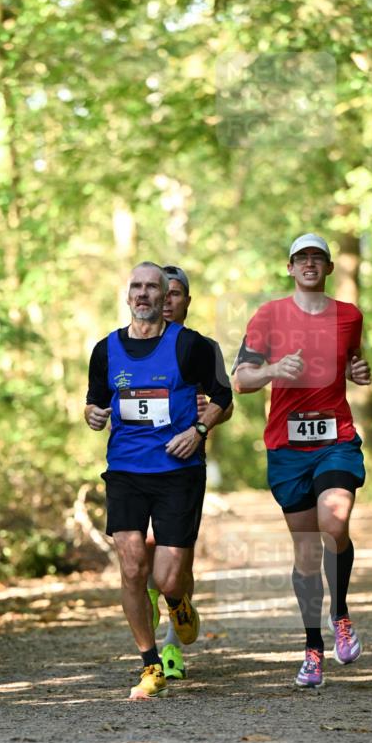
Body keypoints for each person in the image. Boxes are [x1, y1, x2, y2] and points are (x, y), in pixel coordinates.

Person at [85, 261, 233, 699]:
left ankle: (178, 602)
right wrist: (91, 414)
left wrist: (199, 431)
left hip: (177, 472)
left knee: (168, 578)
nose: (144, 294)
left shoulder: (190, 345)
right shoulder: (106, 350)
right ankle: (151, 665)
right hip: (125, 471)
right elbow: (95, 402)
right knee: (132, 566)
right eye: (137, 286)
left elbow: (223, 396)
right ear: (127, 294)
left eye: (153, 287)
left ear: (166, 295)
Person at [232, 234, 372, 689]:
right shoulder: (268, 316)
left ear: (328, 267)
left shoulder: (349, 315)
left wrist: (356, 370)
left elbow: (350, 361)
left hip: (336, 439)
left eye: (317, 258)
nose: (309, 264)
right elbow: (241, 380)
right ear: (290, 268)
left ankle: (341, 614)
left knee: (335, 521)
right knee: (308, 552)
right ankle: (313, 648)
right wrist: (273, 370)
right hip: (287, 447)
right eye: (301, 258)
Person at [147, 265, 234, 680]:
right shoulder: (130, 344)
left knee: (176, 559)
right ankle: (151, 608)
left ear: (186, 301)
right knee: (143, 547)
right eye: (161, 291)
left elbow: (226, 403)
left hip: (184, 464)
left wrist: (207, 416)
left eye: (176, 293)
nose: (167, 300)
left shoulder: (203, 347)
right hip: (137, 464)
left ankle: (171, 645)